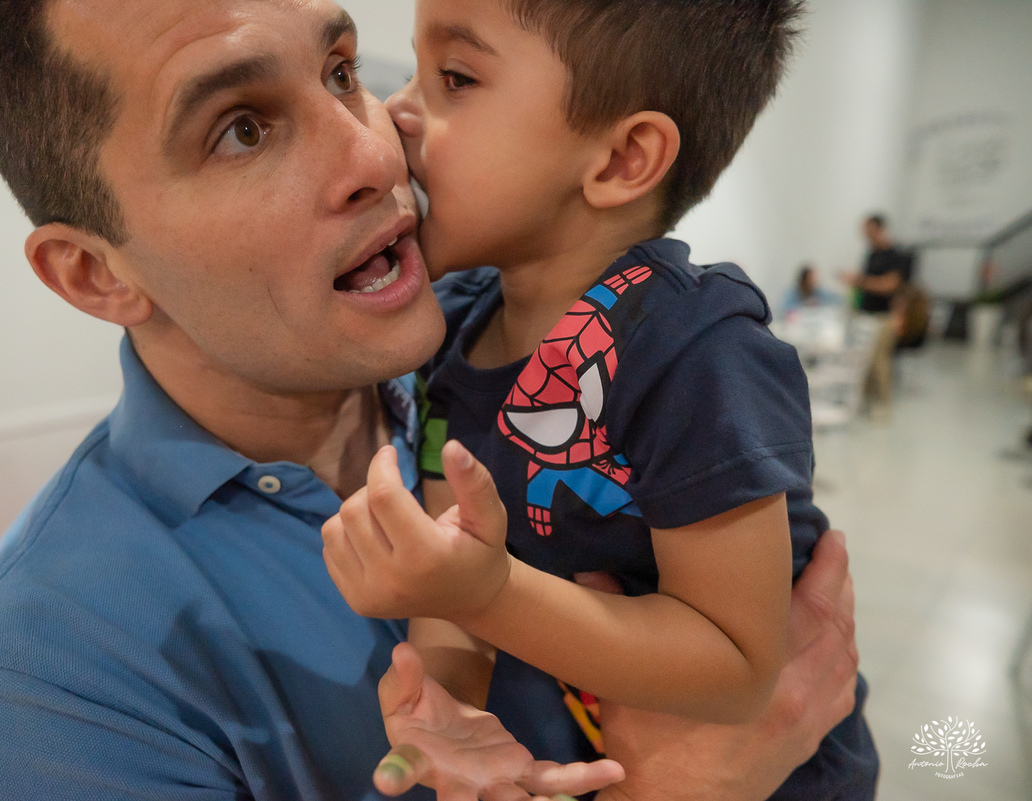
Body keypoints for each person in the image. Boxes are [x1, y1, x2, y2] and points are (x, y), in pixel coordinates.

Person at [0, 0, 863, 798]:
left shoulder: (528, 337)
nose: (378, 146)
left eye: (339, 72)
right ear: (93, 272)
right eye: (242, 129)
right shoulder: (31, 688)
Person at [320, 1, 877, 799]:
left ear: (622, 159)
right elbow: (456, 566)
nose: (394, 113)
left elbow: (739, 667)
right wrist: (447, 697)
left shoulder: (694, 351)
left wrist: (489, 592)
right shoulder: (456, 328)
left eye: (455, 79)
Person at [841, 215, 914, 415]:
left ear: (880, 230)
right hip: (865, 314)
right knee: (863, 360)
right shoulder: (871, 254)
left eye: (870, 231)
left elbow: (889, 285)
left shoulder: (896, 256)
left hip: (884, 317)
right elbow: (866, 284)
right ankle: (865, 401)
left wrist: (858, 281)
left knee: (879, 361)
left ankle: (882, 404)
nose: (866, 235)